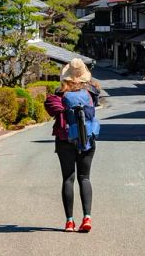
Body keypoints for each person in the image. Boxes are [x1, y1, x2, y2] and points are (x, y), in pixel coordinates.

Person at [45, 58, 100, 233]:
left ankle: (69, 222)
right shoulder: (91, 93)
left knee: (68, 178)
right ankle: (87, 218)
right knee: (84, 177)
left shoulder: (59, 94)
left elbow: (51, 108)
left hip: (65, 140)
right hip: (87, 140)